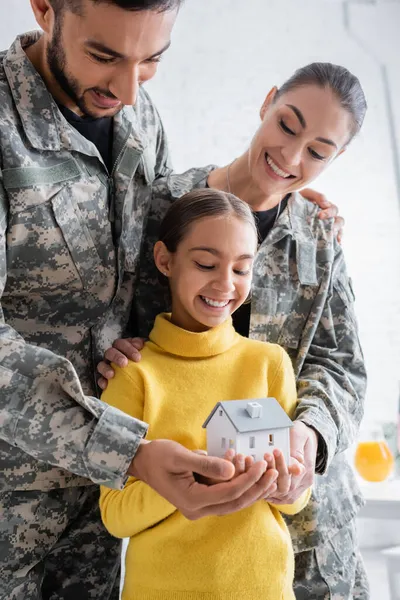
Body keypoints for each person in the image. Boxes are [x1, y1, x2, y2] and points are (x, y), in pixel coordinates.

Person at [0, 1, 343, 598]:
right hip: (15, 498)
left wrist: (272, 198)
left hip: (108, 522)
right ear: (45, 9)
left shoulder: (138, 121)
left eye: (152, 60)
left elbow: (171, 243)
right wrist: (126, 452)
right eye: (104, 55)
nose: (129, 89)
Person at [100, 62, 369, 598]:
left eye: (318, 151)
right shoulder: (161, 206)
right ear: (267, 101)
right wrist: (114, 347)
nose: (292, 157)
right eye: (288, 125)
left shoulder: (318, 234)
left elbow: (341, 365)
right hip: (184, 537)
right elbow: (110, 305)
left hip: (306, 525)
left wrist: (307, 434)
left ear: (337, 158)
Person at [99, 188, 311, 600]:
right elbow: (115, 516)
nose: (224, 284)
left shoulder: (269, 364)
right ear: (165, 260)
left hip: (264, 589)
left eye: (242, 269)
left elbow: (293, 502)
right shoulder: (133, 373)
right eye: (206, 263)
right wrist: (193, 477)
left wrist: (291, 486)